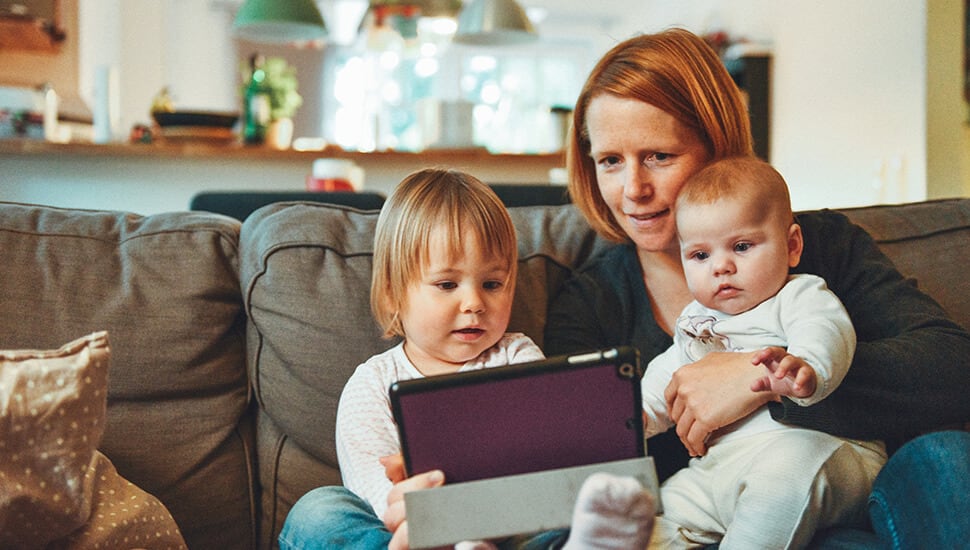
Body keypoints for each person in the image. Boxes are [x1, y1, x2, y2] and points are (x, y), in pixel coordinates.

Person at [543, 28, 970, 547]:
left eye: (659, 155)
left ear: (715, 147)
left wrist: (757, 380)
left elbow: (952, 368)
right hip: (694, 523)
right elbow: (582, 458)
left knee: (946, 456)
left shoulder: (820, 247)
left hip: (846, 504)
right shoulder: (589, 302)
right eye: (610, 160)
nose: (634, 189)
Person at [279, 168, 655, 550]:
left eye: (492, 284)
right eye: (447, 285)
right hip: (408, 532)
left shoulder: (517, 357)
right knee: (319, 510)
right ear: (393, 294)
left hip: (510, 527)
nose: (474, 303)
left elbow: (545, 460)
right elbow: (374, 492)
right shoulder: (372, 383)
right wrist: (427, 521)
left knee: (574, 511)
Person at [638, 155, 886, 548]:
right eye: (700, 255)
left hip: (819, 450)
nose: (721, 267)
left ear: (791, 246)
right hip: (720, 468)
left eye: (740, 246)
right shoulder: (696, 321)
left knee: (782, 479)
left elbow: (826, 329)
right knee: (655, 514)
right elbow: (668, 375)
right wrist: (635, 418)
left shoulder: (798, 294)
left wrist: (807, 366)